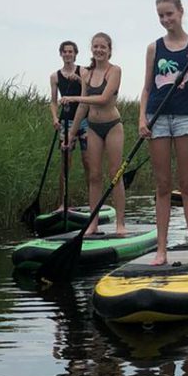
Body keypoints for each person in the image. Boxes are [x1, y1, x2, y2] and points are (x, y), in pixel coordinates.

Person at [139, 0, 188, 265]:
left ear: (181, 11)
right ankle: (161, 250)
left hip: (185, 118)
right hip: (157, 118)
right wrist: (142, 120)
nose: (166, 19)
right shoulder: (154, 48)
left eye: (170, 13)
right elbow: (146, 88)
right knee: (163, 185)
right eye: (161, 15)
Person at [60, 32, 126, 236]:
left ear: (109, 50)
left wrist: (74, 97)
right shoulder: (86, 74)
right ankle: (93, 223)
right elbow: (82, 107)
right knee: (94, 176)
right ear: (92, 49)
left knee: (115, 173)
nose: (99, 50)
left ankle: (120, 224)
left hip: (113, 126)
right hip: (94, 127)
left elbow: (105, 99)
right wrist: (71, 133)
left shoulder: (115, 71)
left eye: (103, 47)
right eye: (95, 47)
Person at [49, 40, 89, 209]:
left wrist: (79, 80)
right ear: (61, 54)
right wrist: (54, 118)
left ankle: (93, 203)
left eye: (70, 52)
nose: (67, 54)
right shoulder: (55, 76)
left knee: (89, 163)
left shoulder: (83, 71)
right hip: (66, 122)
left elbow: (90, 92)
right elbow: (53, 101)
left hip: (85, 122)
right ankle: (63, 204)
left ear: (75, 54)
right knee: (65, 164)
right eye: (64, 52)